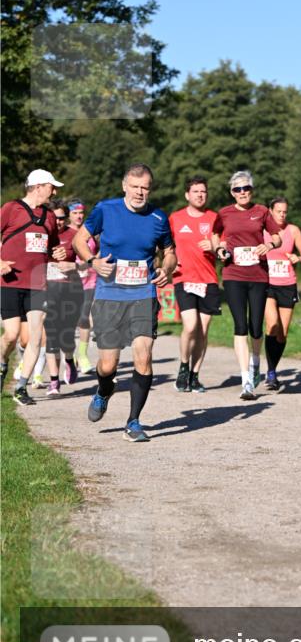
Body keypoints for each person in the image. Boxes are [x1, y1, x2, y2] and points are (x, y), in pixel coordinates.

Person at [72, 163, 176, 443]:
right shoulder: (106, 210)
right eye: (135, 186)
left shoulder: (158, 217)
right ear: (124, 186)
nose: (140, 192)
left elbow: (169, 252)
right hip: (110, 294)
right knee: (108, 364)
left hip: (143, 293)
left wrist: (167, 269)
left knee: (144, 355)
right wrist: (93, 261)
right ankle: (104, 390)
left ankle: (133, 422)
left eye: (145, 188)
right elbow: (79, 239)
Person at [212, 171, 281, 401]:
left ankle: (256, 361)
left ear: (252, 190)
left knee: (255, 326)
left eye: (246, 188)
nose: (242, 193)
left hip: (259, 275)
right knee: (240, 325)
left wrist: (270, 244)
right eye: (237, 189)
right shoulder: (224, 213)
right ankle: (246, 381)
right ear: (232, 192)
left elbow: (277, 236)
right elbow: (215, 234)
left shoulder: (261, 211)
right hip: (233, 274)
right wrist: (219, 249)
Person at [1, 169, 66, 406]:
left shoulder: (49, 217)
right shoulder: (11, 208)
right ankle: (2, 364)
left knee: (35, 337)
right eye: (51, 186)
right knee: (11, 334)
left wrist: (57, 252)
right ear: (38, 186)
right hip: (9, 282)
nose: (55, 191)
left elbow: (53, 247)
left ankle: (21, 388)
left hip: (37, 284)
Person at [169, 176, 222, 393]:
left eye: (203, 191)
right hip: (183, 277)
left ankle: (195, 375)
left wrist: (213, 246)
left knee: (203, 330)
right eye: (196, 191)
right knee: (190, 326)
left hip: (208, 279)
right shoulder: (175, 218)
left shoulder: (214, 218)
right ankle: (183, 367)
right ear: (187, 195)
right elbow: (165, 246)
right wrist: (167, 263)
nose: (200, 195)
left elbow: (222, 249)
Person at [262, 196, 301, 391]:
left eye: (285, 211)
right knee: (272, 325)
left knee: (282, 334)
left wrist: (298, 257)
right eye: (278, 211)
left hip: (287, 284)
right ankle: (271, 372)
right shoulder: (263, 230)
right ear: (270, 211)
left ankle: (273, 369)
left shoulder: (293, 230)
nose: (282, 215)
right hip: (267, 283)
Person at [44, 201, 84, 396]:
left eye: (61, 217)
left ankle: (69, 360)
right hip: (47, 290)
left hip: (72, 291)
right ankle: (54, 381)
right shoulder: (41, 234)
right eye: (54, 217)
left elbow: (89, 263)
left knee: (66, 336)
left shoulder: (75, 235)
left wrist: (73, 266)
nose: (58, 221)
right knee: (51, 335)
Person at [68, 198, 96, 373]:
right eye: (75, 213)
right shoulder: (64, 232)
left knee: (86, 318)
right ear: (69, 214)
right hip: (70, 282)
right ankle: (69, 357)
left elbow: (99, 249)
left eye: (81, 213)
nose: (79, 216)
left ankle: (83, 355)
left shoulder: (89, 231)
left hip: (90, 280)